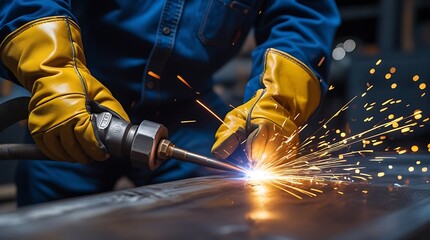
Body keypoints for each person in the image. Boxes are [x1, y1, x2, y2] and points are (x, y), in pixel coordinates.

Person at [0, 1, 340, 206]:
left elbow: (301, 15)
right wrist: (54, 70)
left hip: (188, 110)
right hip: (80, 103)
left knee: (224, 204)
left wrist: (276, 100)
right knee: (51, 220)